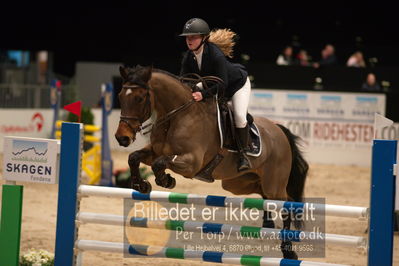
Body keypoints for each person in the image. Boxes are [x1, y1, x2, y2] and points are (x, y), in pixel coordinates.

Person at [179, 17, 252, 172]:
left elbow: (223, 83)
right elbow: (184, 81)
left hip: (236, 85)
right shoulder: (188, 57)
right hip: (213, 85)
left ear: (204, 38)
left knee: (239, 115)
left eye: (193, 37)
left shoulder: (215, 54)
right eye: (187, 37)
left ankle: (243, 155)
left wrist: (202, 95)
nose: (189, 40)